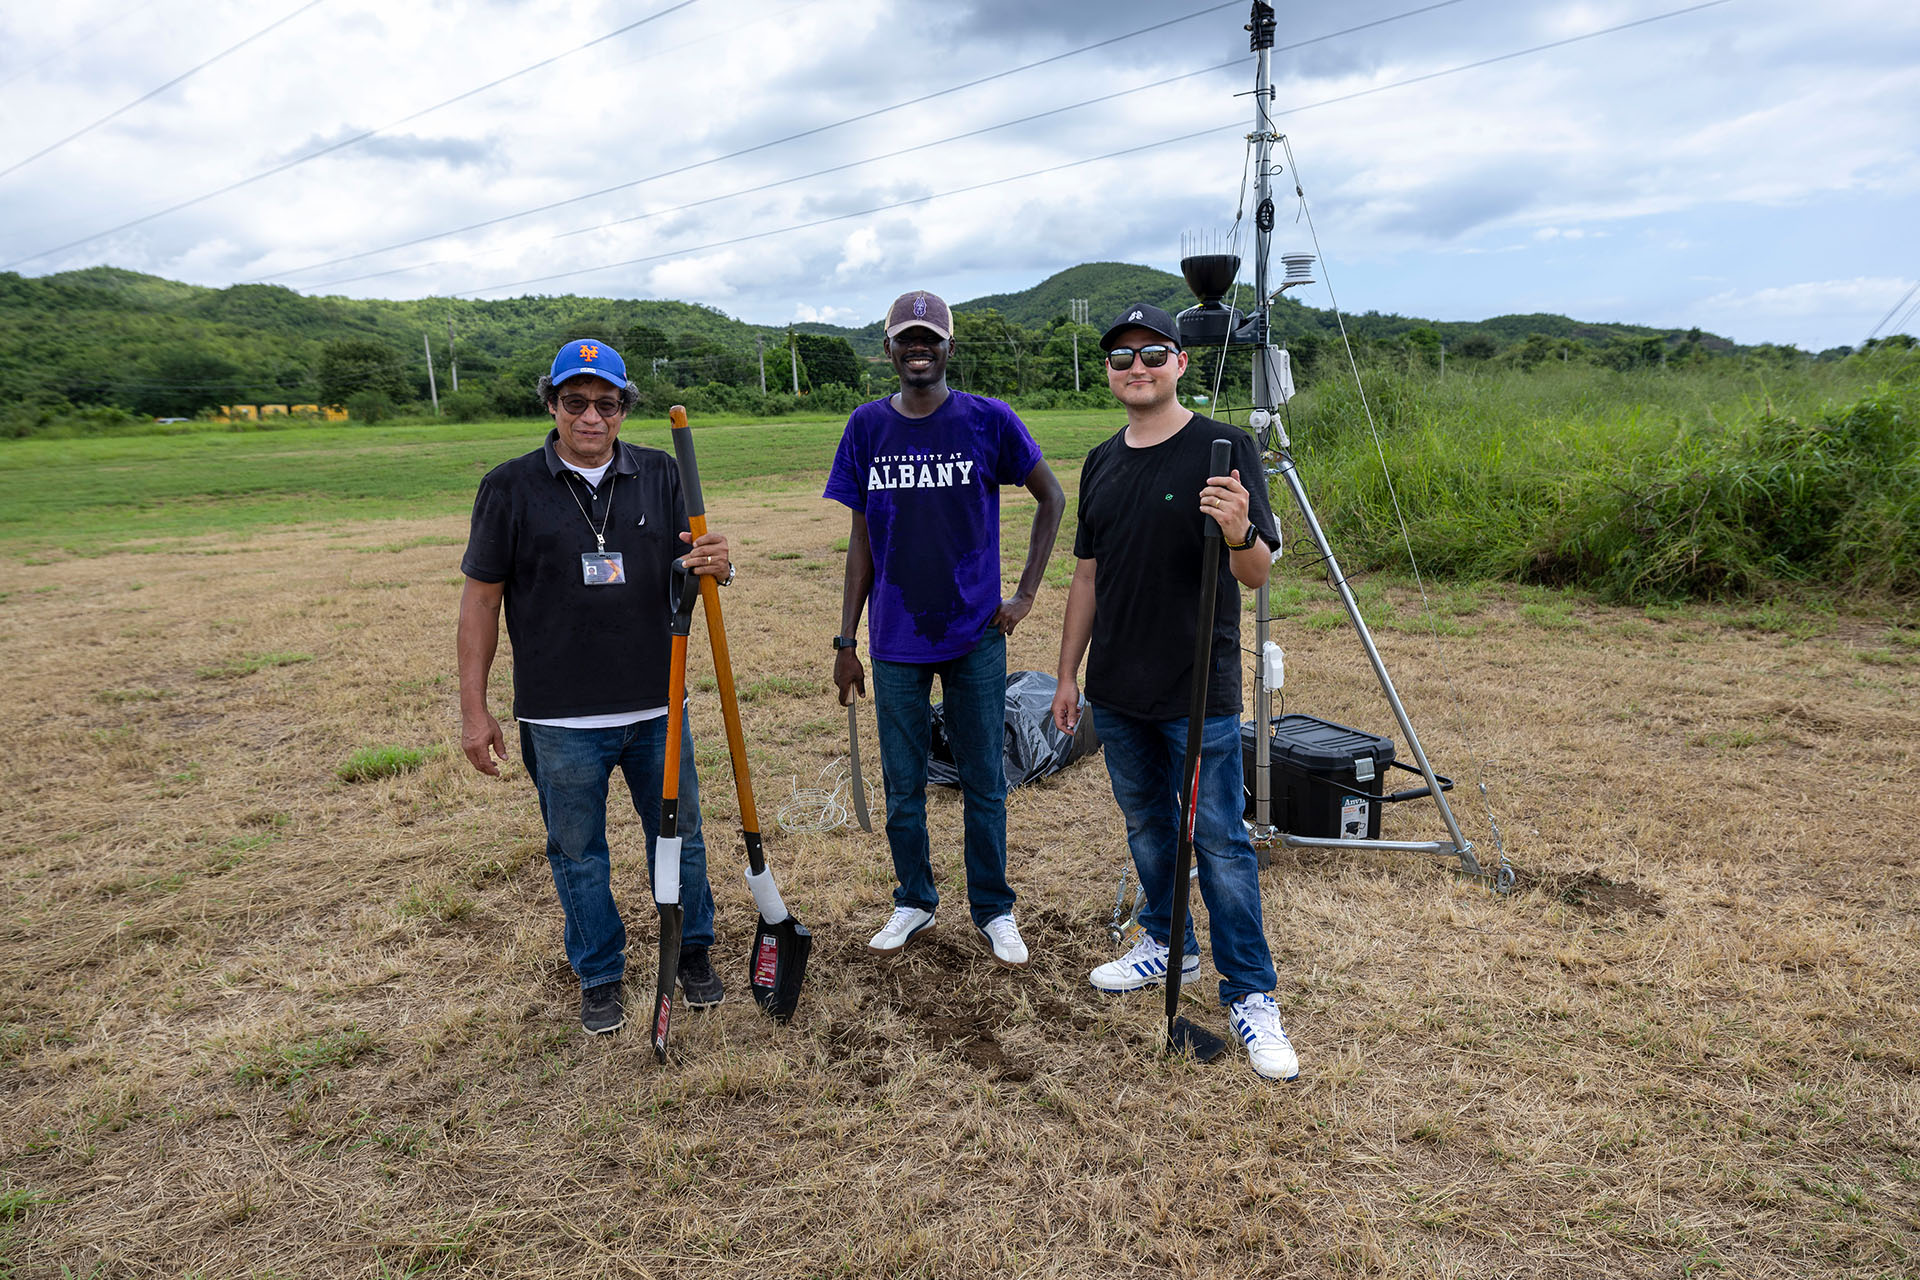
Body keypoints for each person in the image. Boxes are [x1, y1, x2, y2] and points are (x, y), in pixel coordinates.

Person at [1049, 303, 1299, 1080]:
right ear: (1111, 373)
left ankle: (1252, 994)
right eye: (1123, 359)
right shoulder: (1099, 460)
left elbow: (1256, 572)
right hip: (1119, 689)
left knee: (1219, 842)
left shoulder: (1225, 448)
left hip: (1200, 689)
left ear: (1180, 363)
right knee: (1150, 829)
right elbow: (1087, 576)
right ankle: (1168, 944)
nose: (1138, 368)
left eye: (1153, 353)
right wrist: (1067, 673)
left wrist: (1236, 531)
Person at [458, 338, 735, 1036]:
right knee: (577, 853)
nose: (590, 416)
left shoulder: (662, 474)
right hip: (558, 718)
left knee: (682, 839)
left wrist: (719, 565)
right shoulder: (509, 486)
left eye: (605, 403)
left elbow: (699, 568)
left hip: (657, 704)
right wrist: (474, 709)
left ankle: (693, 951)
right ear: (552, 403)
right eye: (574, 401)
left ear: (622, 409)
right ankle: (600, 973)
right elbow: (480, 602)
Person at [825, 290, 1065, 968]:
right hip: (896, 640)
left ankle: (993, 908)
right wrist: (846, 641)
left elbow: (1052, 496)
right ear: (889, 350)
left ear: (949, 347)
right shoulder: (866, 427)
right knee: (903, 784)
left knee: (984, 780)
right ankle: (914, 899)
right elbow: (861, 540)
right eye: (907, 338)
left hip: (975, 638)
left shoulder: (989, 420)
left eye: (930, 336)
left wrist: (1022, 594)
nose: (918, 347)